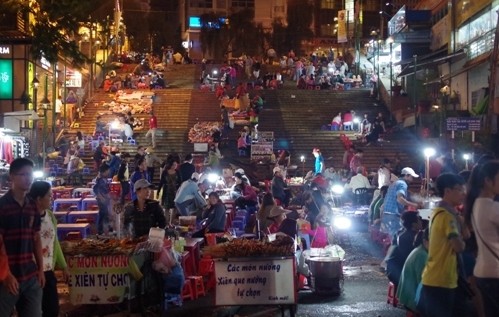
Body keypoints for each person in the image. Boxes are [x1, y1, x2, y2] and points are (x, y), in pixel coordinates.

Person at [419, 173, 469, 317]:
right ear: (447, 191)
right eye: (459, 189)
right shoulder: (447, 217)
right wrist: (462, 242)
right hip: (441, 279)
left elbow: (466, 234)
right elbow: (459, 246)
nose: (463, 193)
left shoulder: (439, 212)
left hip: (436, 277)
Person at [0, 158, 44, 317]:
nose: (28, 178)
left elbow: (36, 238)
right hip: (7, 279)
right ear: (11, 177)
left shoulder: (32, 205)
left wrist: (41, 269)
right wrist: (6, 275)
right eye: (23, 174)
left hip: (30, 276)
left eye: (30, 174)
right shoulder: (2, 206)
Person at [29, 181, 69, 317]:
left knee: (52, 310)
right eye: (49, 196)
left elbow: (54, 242)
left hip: (48, 271)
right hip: (31, 272)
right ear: (39, 199)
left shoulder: (50, 216)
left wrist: (63, 266)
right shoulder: (27, 217)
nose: (51, 198)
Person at [465, 161, 499, 316]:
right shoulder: (492, 208)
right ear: (488, 180)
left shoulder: (476, 205)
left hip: (483, 271)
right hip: (495, 273)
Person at [381, 167, 421, 238]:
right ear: (407, 175)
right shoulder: (403, 184)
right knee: (395, 239)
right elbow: (400, 199)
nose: (412, 180)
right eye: (412, 177)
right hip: (393, 216)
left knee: (390, 240)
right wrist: (415, 205)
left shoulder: (395, 183)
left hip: (386, 214)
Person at [385, 212, 422, 286]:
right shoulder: (412, 237)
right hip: (400, 273)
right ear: (413, 224)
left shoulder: (400, 233)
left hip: (393, 270)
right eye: (419, 219)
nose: (421, 221)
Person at [397, 229, 429, 313]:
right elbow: (423, 283)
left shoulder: (420, 250)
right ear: (425, 241)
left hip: (407, 296)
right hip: (412, 300)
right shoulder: (422, 255)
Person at [93, 164, 112, 235]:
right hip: (101, 200)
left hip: (105, 200)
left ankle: (109, 229)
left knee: (106, 214)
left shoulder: (104, 178)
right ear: (104, 171)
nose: (109, 172)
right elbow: (95, 190)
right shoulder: (99, 179)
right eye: (108, 171)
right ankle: (100, 231)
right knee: (102, 214)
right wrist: (102, 198)